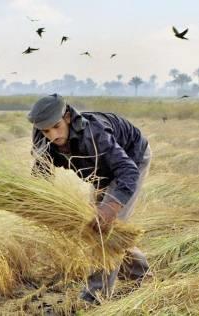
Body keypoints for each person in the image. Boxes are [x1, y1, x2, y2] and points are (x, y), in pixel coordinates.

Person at [27, 94, 151, 304]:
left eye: (56, 127)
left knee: (103, 232)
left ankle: (95, 298)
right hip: (100, 171)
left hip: (131, 161)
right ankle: (142, 276)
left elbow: (127, 171)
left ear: (66, 117)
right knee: (103, 228)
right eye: (46, 131)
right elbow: (41, 174)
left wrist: (111, 207)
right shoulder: (42, 139)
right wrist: (39, 203)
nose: (52, 135)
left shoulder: (94, 134)